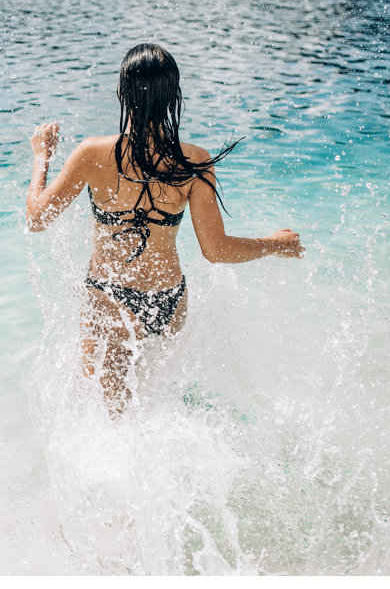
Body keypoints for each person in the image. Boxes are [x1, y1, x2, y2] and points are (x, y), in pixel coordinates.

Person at [26, 42, 304, 417]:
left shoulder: (93, 154)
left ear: (122, 93)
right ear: (174, 97)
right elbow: (216, 250)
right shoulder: (194, 161)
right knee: (157, 405)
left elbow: (37, 219)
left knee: (109, 419)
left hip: (110, 298)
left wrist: (41, 157)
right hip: (168, 300)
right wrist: (274, 244)